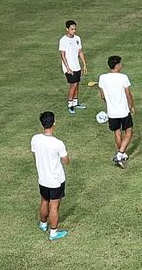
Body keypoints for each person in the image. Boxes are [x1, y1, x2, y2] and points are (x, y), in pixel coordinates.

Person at [31, 111, 70, 241]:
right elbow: (66, 161)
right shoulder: (57, 143)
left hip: (42, 179)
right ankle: (53, 233)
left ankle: (43, 224)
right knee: (54, 205)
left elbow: (35, 155)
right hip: (55, 180)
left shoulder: (35, 139)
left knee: (44, 200)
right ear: (54, 123)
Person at [98, 55, 135, 168]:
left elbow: (102, 96)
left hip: (112, 112)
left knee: (117, 133)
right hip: (123, 111)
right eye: (120, 64)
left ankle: (122, 154)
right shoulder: (123, 77)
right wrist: (132, 106)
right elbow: (128, 94)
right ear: (117, 66)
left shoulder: (102, 78)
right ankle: (119, 155)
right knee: (129, 132)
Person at [58, 20, 88, 114]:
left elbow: (80, 52)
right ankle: (70, 105)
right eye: (72, 29)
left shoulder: (77, 38)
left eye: (75, 29)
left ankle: (75, 103)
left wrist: (84, 64)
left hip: (76, 66)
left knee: (77, 84)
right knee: (73, 85)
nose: (74, 31)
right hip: (69, 67)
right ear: (67, 29)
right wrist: (67, 68)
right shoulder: (63, 40)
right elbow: (62, 55)